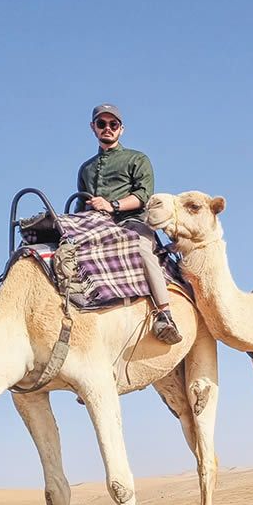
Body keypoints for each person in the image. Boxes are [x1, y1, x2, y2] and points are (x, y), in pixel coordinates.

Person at [75, 103, 180, 344]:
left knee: (142, 249)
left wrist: (112, 205)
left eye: (113, 124)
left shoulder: (137, 159)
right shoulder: (86, 169)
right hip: (95, 225)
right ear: (93, 128)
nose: (108, 128)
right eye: (102, 124)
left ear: (121, 129)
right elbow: (82, 203)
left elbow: (144, 195)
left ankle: (165, 314)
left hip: (131, 221)